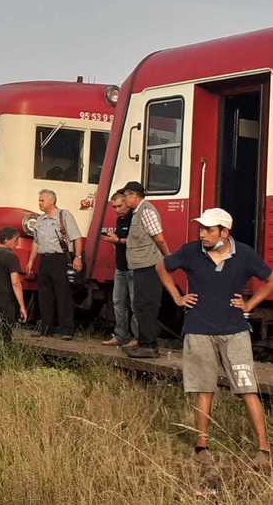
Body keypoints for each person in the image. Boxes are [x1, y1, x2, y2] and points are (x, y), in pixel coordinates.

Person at [157, 208, 273, 469]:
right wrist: (177, 297)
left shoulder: (243, 254)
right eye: (201, 228)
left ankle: (264, 450)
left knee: (248, 389)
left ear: (224, 232)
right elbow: (161, 266)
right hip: (198, 330)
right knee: (204, 389)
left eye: (209, 229)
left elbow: (270, 280)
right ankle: (202, 446)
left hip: (235, 333)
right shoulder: (190, 251)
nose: (202, 234)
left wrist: (249, 304)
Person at [25, 189, 83, 340]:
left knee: (63, 294)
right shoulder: (40, 220)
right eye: (39, 200)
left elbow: (77, 237)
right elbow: (36, 242)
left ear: (51, 201)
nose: (40, 203)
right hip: (45, 259)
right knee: (44, 294)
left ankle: (66, 329)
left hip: (60, 258)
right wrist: (31, 261)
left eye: (42, 200)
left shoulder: (64, 216)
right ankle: (46, 328)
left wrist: (78, 257)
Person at [121, 181, 170, 358]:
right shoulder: (136, 213)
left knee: (147, 305)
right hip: (141, 265)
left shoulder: (146, 210)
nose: (124, 198)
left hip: (149, 265)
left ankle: (149, 345)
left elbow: (159, 237)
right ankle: (144, 343)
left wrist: (167, 256)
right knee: (140, 305)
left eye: (126, 195)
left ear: (134, 195)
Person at [101, 190, 138, 347]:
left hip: (134, 267)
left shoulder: (134, 218)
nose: (117, 210)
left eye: (119, 206)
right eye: (114, 207)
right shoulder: (119, 220)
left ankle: (138, 338)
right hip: (121, 266)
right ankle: (121, 335)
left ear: (127, 203)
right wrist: (114, 241)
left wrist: (118, 240)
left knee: (135, 303)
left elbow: (137, 241)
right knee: (118, 301)